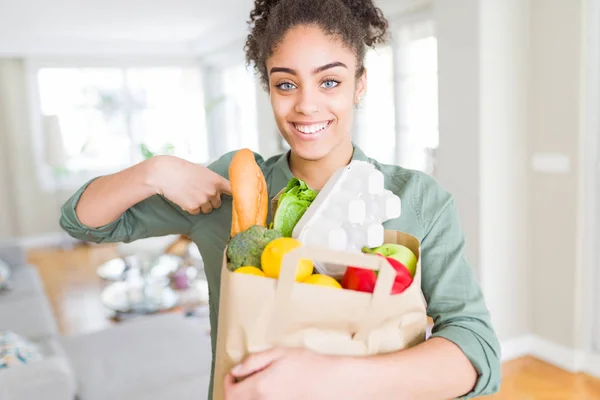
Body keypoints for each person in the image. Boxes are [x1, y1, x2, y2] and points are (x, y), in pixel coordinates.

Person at [59, 0, 502, 398]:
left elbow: (477, 352)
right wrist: (153, 171)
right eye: (286, 85)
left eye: (329, 81)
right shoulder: (233, 188)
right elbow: (83, 221)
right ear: (268, 88)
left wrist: (328, 377)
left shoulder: (418, 199)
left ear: (360, 85)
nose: (307, 106)